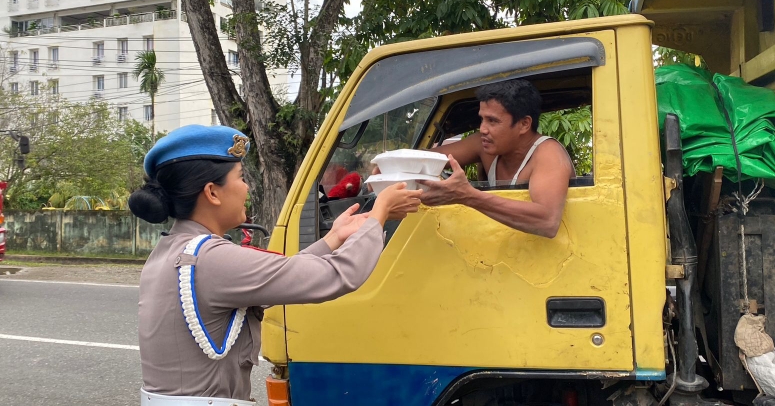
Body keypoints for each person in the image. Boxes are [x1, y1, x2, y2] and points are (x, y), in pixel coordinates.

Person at [131, 124, 422, 405]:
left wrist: (334, 237)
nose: (247, 188)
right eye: (241, 177)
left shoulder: (174, 251)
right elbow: (336, 275)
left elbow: (283, 274)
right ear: (212, 192)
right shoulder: (211, 259)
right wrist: (379, 213)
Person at [419, 79, 575, 238]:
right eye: (482, 119)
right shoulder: (482, 143)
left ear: (524, 124)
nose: (483, 129)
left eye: (492, 121)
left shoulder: (548, 153)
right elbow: (422, 160)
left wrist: (467, 195)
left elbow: (547, 222)